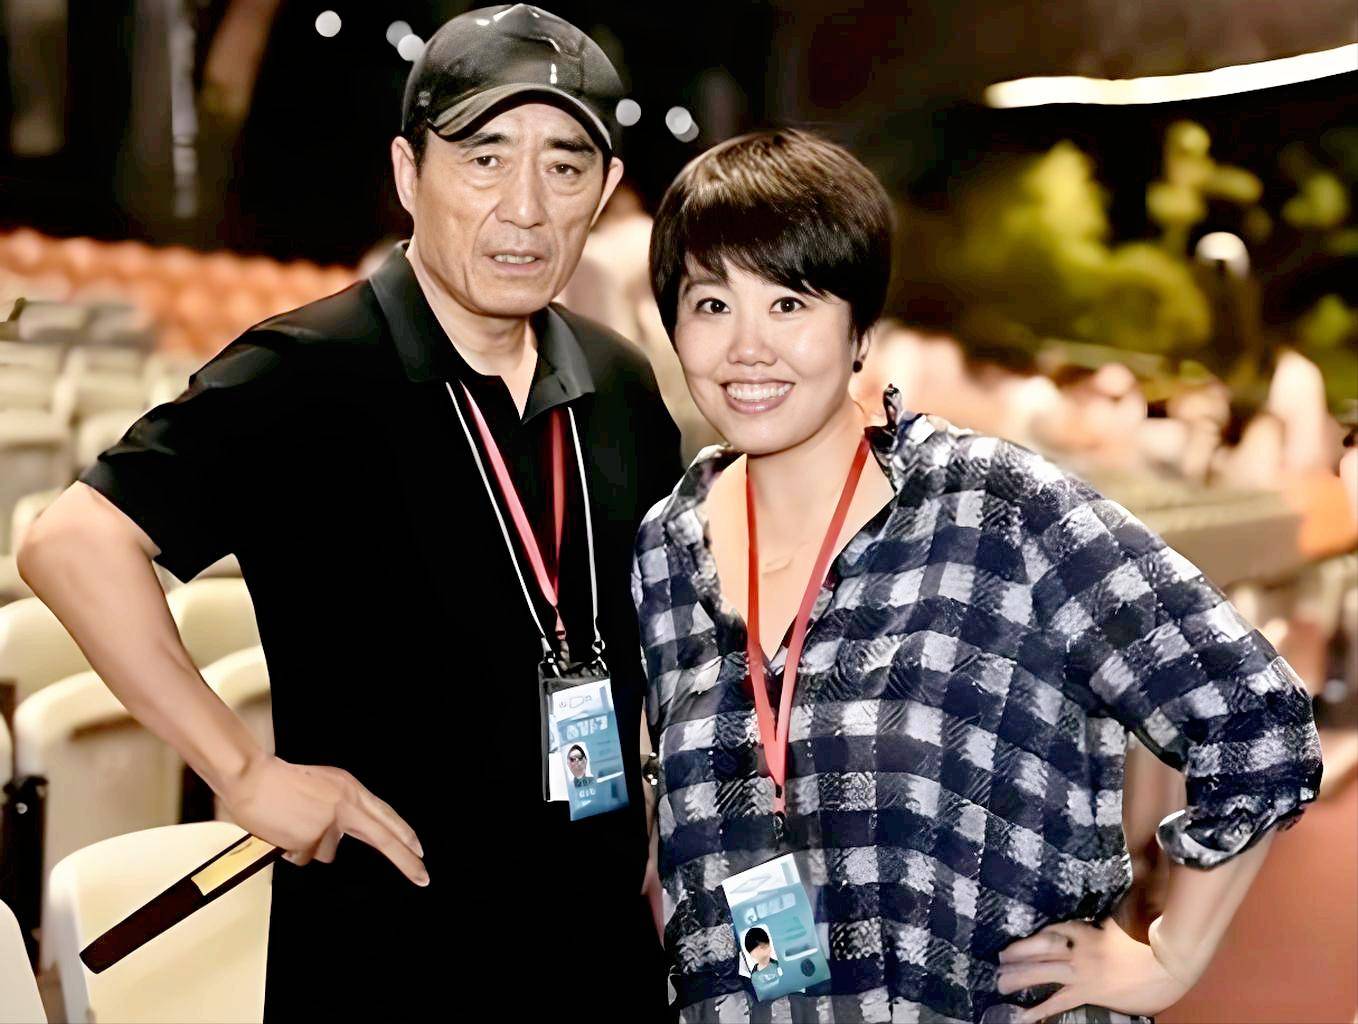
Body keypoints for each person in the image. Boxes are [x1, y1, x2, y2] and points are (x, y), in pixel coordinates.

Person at [19, 5, 679, 1018]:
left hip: (595, 945)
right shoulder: (307, 371)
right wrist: (242, 769)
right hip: (391, 948)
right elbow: (71, 542)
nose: (525, 207)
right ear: (410, 174)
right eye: (485, 159)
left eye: (564, 166)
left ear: (602, 189)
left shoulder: (621, 381)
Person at [632, 128, 1323, 1023]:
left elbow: (1254, 714)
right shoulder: (666, 550)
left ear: (861, 328)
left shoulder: (995, 509)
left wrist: (1171, 956)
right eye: (712, 303)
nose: (747, 346)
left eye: (790, 302)